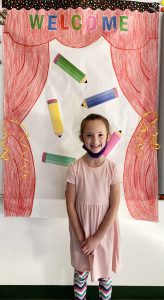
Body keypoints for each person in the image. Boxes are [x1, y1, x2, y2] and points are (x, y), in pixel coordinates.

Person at [65, 113, 121, 300]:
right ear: (82, 137)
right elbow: (70, 205)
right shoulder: (75, 168)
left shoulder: (112, 169)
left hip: (104, 232)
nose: (95, 140)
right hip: (80, 229)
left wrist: (96, 238)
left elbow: (114, 206)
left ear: (107, 136)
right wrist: (83, 238)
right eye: (89, 135)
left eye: (100, 134)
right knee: (80, 274)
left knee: (105, 276)